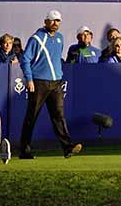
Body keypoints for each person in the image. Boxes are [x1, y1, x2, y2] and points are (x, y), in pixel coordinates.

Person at [19, 9, 82, 159]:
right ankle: (24, 150)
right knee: (31, 117)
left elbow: (56, 57)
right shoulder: (36, 38)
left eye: (58, 21)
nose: (55, 23)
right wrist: (29, 79)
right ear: (46, 21)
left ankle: (67, 148)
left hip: (56, 83)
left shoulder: (60, 38)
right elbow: (25, 59)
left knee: (59, 116)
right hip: (39, 82)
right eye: (52, 20)